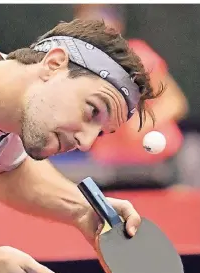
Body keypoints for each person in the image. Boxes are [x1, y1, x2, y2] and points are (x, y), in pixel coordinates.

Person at [0, 19, 160, 273]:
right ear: (54, 64)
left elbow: (6, 171)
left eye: (99, 133)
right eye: (92, 110)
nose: (85, 143)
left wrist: (82, 210)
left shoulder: (1, 116)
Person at [75, 5, 188, 165]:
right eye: (85, 15)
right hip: (110, 164)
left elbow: (175, 102)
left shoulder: (139, 56)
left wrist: (146, 121)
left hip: (161, 161)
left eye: (103, 13)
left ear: (117, 24)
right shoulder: (80, 66)